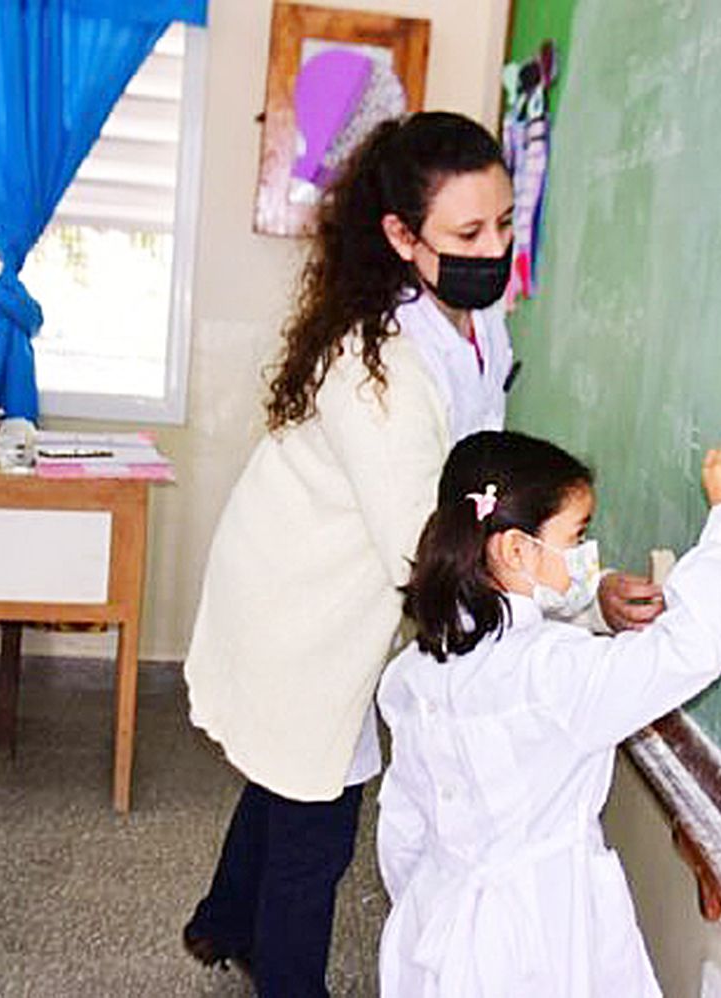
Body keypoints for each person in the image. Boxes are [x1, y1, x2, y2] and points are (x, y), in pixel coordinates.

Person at [181, 111, 517, 997]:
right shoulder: (379, 365)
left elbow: (477, 459)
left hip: (331, 580)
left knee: (290, 763)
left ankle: (222, 921)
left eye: (507, 223)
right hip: (302, 599)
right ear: (402, 236)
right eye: (470, 232)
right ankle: (284, 977)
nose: (496, 248)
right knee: (317, 815)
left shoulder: (477, 320)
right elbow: (420, 543)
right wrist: (550, 590)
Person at [376, 430, 721, 997]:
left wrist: (429, 905)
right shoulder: (553, 674)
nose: (587, 556)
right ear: (516, 550)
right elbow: (688, 651)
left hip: (437, 917)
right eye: (576, 535)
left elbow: (402, 824)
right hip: (540, 929)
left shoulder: (417, 669)